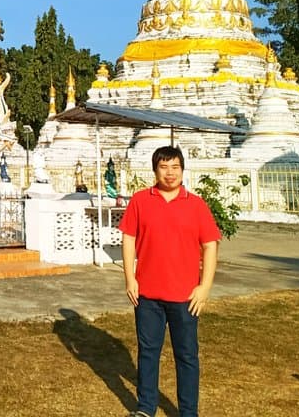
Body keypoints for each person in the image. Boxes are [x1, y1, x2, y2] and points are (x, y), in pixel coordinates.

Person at [118, 145, 221, 417]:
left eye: (175, 167)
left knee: (187, 356)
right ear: (155, 170)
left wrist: (205, 286)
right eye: (164, 167)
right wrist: (130, 278)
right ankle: (145, 408)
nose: (170, 173)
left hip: (185, 297)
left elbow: (210, 245)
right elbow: (128, 239)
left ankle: (188, 412)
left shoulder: (196, 205)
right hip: (148, 295)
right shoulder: (141, 201)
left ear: (182, 169)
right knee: (148, 352)